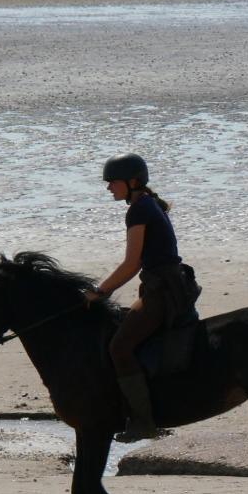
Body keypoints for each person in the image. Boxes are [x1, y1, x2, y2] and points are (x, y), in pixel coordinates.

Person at [85, 152, 199, 443]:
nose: (109, 187)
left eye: (113, 182)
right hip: (161, 285)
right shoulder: (146, 205)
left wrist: (100, 292)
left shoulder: (138, 210)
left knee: (120, 347)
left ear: (132, 181)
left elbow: (131, 264)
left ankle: (144, 423)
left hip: (163, 291)